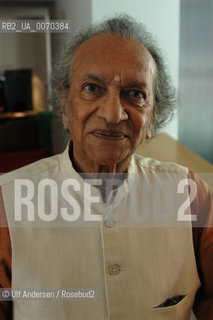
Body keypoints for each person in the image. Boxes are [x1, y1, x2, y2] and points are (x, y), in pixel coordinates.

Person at [0, 15, 213, 320]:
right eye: (92, 88)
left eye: (135, 94)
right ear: (64, 104)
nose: (113, 114)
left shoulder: (191, 197)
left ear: (152, 116)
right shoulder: (8, 204)